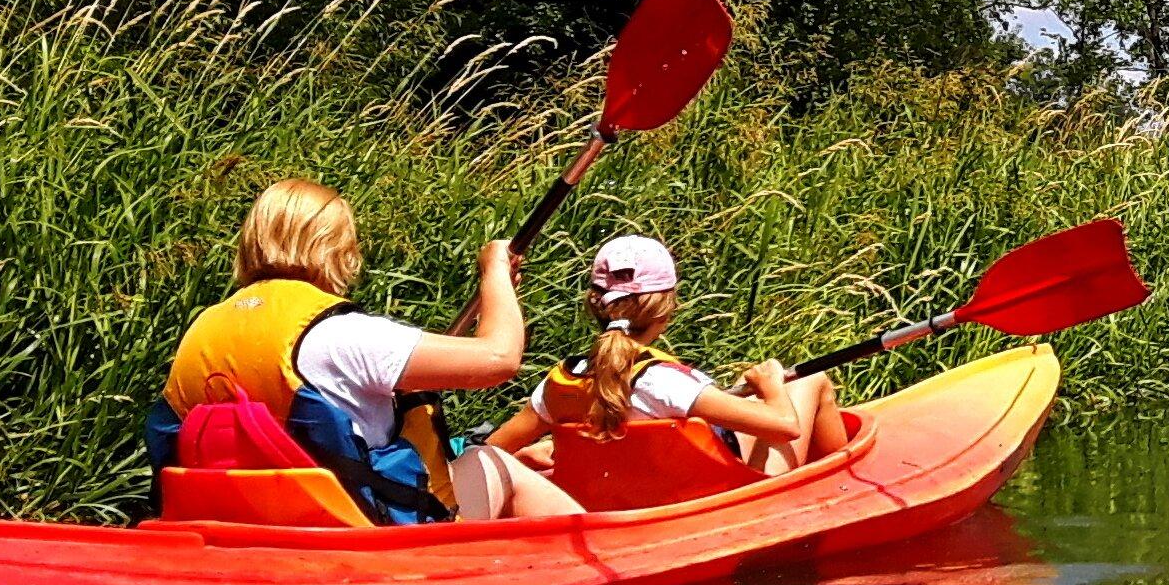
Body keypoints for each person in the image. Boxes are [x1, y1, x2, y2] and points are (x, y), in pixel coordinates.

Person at [146, 179, 578, 526]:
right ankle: (600, 580)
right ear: (339, 250)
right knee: (492, 461)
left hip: (245, 527)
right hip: (361, 533)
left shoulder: (203, 330)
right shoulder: (344, 336)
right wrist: (496, 273)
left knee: (468, 453)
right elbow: (498, 358)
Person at [487, 233, 853, 479]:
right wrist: (770, 384)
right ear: (665, 309)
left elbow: (494, 449)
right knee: (810, 382)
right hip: (718, 502)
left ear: (594, 306)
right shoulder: (666, 382)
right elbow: (785, 426)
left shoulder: (560, 382)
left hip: (632, 501)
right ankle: (846, 487)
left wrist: (540, 456)